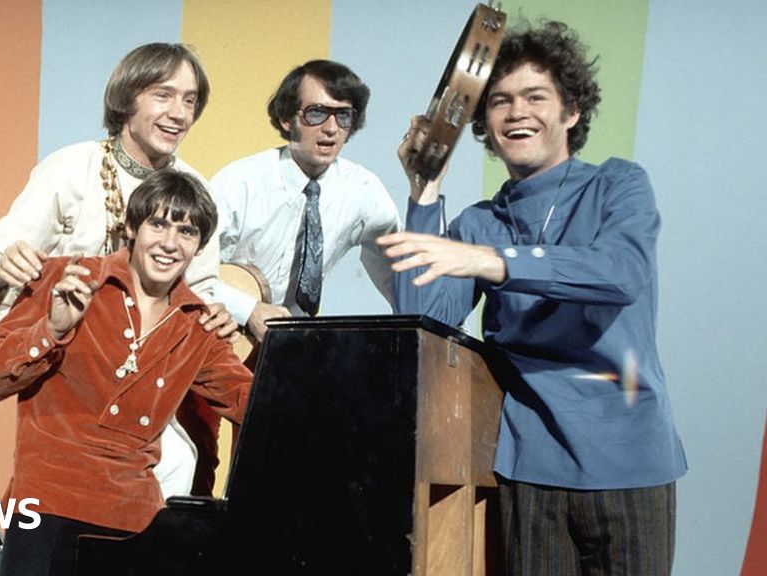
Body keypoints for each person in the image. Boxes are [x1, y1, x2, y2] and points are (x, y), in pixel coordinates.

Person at [378, 21, 686, 575]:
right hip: (529, 467)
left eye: (535, 97)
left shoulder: (617, 184)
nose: (517, 112)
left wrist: (495, 263)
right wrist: (424, 193)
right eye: (500, 101)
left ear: (571, 111)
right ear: (484, 124)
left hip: (630, 459)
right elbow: (422, 324)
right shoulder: (478, 223)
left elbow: (621, 273)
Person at [0, 43, 231, 497]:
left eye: (190, 101)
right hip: (70, 371)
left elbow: (203, 288)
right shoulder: (70, 170)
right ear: (127, 98)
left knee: (179, 464)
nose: (179, 113)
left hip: (144, 371)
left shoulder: (194, 189)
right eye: (164, 95)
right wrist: (2, 267)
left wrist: (217, 312)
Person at [0, 170, 251, 575]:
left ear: (199, 246)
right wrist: (52, 330)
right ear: (132, 227)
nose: (170, 243)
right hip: (47, 504)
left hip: (132, 519)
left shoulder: (199, 326)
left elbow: (261, 407)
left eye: (187, 232)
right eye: (159, 224)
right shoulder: (67, 278)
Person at [211, 60, 400, 341]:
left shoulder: (363, 191)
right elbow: (185, 272)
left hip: (292, 344)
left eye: (343, 115)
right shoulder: (240, 182)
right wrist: (249, 310)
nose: (331, 128)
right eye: (317, 113)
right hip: (220, 334)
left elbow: (401, 283)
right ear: (287, 119)